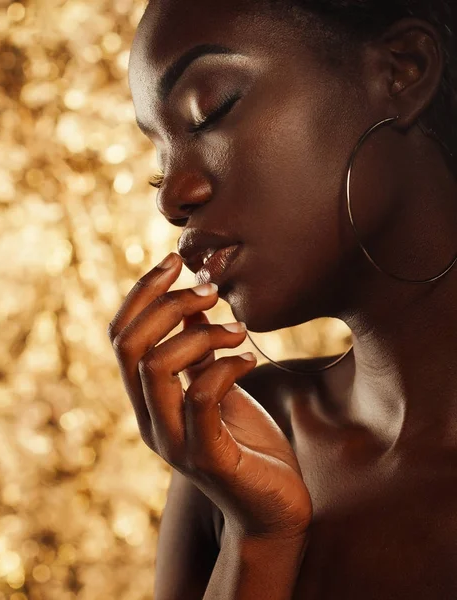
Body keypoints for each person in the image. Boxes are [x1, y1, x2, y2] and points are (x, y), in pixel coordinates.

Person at [108, 0, 457, 598]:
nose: (172, 198)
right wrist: (260, 540)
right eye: (159, 166)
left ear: (401, 69)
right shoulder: (240, 445)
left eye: (210, 109)